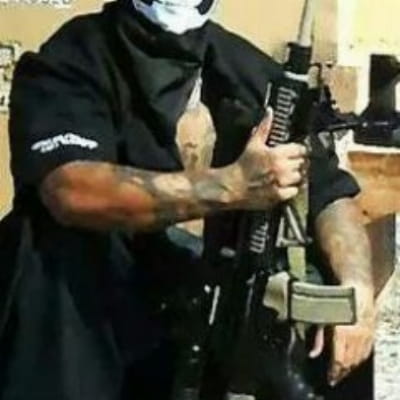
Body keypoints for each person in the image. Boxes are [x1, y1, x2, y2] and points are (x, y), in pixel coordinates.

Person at [0, 0, 375, 399]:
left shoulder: (247, 70)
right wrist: (231, 186)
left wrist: (356, 290)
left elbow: (330, 192)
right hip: (85, 314)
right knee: (48, 245)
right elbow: (71, 190)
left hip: (202, 309)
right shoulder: (75, 55)